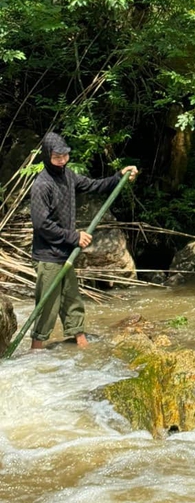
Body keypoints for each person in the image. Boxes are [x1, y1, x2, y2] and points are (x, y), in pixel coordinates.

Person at [30, 132, 138, 349]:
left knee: (71, 298)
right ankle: (36, 348)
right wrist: (74, 236)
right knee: (48, 304)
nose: (61, 160)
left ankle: (80, 342)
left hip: (66, 253)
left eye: (64, 156)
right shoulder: (42, 185)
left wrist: (119, 177)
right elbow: (41, 225)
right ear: (47, 156)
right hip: (48, 255)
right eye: (57, 157)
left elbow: (94, 185)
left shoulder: (68, 176)